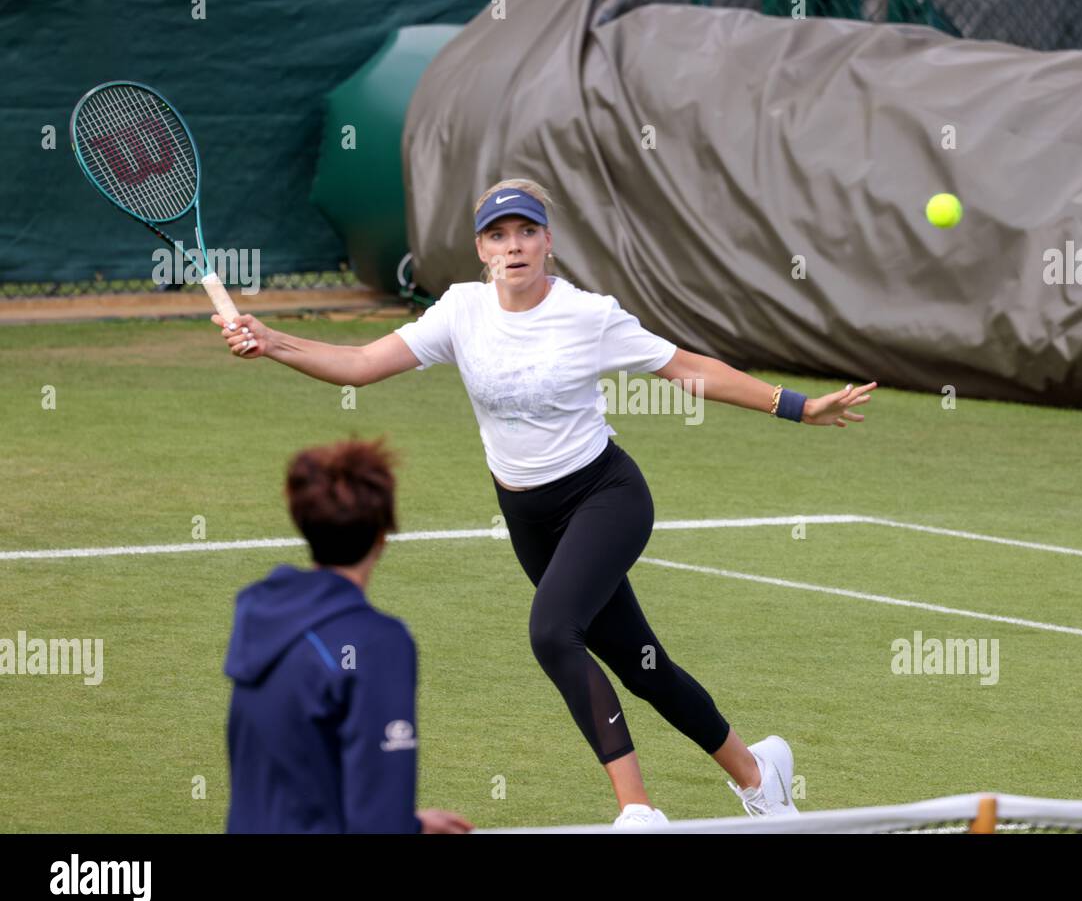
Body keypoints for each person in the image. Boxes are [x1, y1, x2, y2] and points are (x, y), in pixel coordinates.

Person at [212, 178, 875, 828]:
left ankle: (638, 809)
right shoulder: (461, 312)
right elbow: (359, 362)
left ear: (549, 241)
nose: (514, 244)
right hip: (528, 517)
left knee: (552, 632)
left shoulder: (588, 316)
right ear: (481, 249)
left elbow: (685, 369)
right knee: (643, 664)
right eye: (498, 234)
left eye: (527, 230)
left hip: (605, 496)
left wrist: (799, 406)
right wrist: (271, 341)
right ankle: (758, 773)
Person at [224, 437, 472, 834]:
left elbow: (299, 779)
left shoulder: (260, 614)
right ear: (382, 535)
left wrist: (413, 825)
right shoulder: (377, 644)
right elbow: (378, 819)